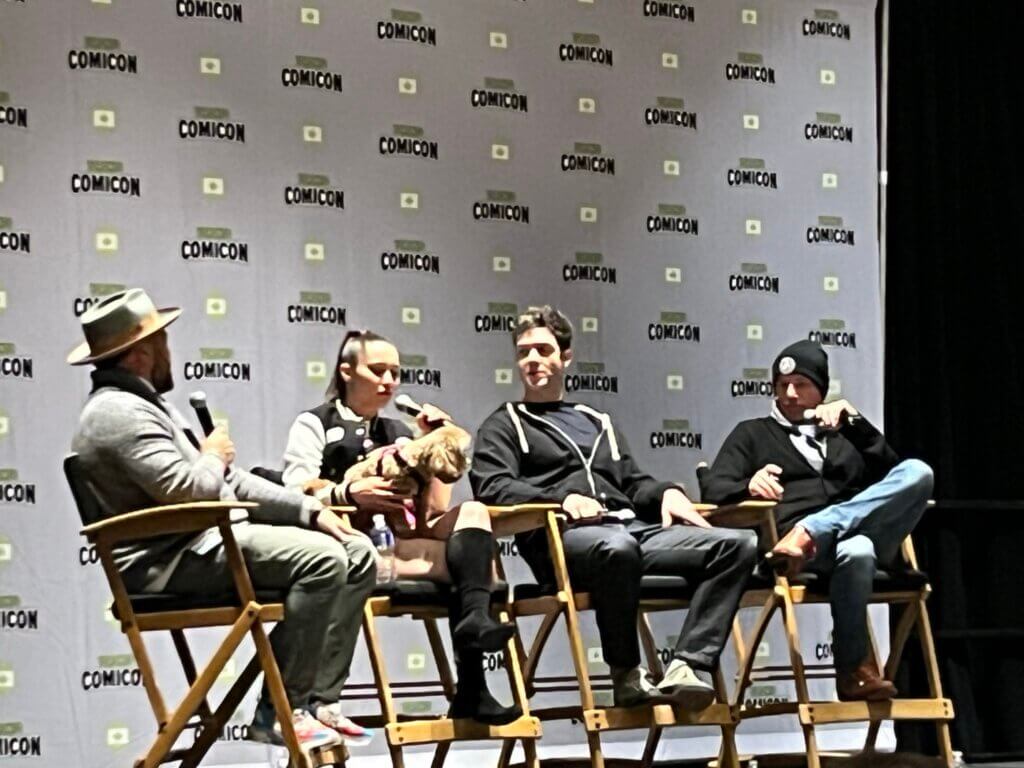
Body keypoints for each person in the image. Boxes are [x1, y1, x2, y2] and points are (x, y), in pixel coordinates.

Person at [69, 289, 376, 751]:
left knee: (356, 550)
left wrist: (310, 509)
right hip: (165, 561)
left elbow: (230, 482)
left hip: (198, 543)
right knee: (322, 560)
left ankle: (317, 700)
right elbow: (193, 489)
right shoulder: (116, 413)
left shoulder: (146, 403)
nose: (170, 351)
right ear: (141, 353)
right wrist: (211, 454)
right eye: (163, 342)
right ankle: (282, 708)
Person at [470, 306, 757, 709]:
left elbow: (631, 482)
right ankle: (626, 674)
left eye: (542, 350)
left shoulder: (596, 420)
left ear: (565, 357)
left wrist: (665, 493)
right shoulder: (505, 423)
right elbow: (493, 486)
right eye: (523, 352)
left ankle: (688, 664)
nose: (532, 360)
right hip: (563, 541)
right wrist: (561, 501)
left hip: (629, 530)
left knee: (738, 544)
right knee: (617, 548)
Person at [282, 329, 520, 724]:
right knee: (473, 568)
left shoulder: (399, 432)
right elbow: (295, 490)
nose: (389, 381)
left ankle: (475, 636)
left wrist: (442, 444)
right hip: (345, 544)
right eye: (378, 370)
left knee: (474, 515)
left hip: (404, 540)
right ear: (346, 372)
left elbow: (434, 512)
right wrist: (349, 493)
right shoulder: (315, 423)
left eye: (395, 372)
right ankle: (473, 682)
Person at [701, 339, 933, 701]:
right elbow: (713, 485)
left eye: (802, 385)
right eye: (782, 386)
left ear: (821, 390)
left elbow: (894, 476)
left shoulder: (846, 431)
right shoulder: (752, 433)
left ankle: (811, 528)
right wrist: (748, 483)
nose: (790, 394)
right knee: (857, 551)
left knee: (918, 472)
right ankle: (853, 671)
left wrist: (855, 424)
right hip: (802, 556)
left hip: (858, 532)